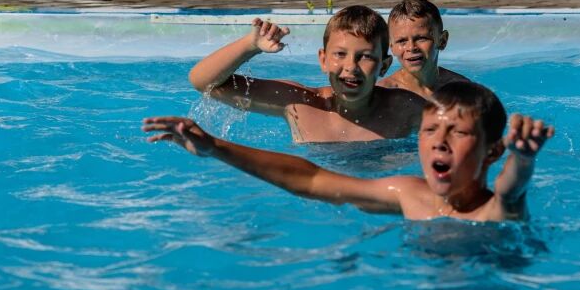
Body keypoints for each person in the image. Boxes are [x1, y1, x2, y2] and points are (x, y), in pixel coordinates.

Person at [143, 82, 553, 222]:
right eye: (429, 130)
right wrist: (215, 147)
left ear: (491, 152)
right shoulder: (410, 195)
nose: (439, 142)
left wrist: (523, 157)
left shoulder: (493, 210)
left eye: (458, 133)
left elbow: (511, 189)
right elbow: (311, 179)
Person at [188, 5, 425, 143]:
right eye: (340, 54)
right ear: (323, 59)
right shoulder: (300, 104)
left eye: (365, 57)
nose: (350, 66)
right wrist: (250, 45)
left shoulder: (405, 108)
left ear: (384, 66)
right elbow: (204, 83)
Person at [378, 0, 469, 99]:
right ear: (392, 47)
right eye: (402, 41)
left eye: (421, 38)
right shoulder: (384, 94)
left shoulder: (462, 89)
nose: (411, 47)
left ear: (442, 41)